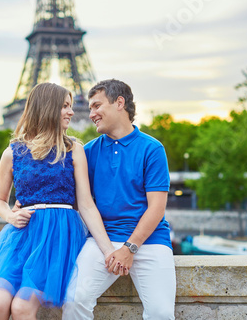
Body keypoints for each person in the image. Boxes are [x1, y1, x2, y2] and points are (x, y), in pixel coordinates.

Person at [0, 83, 116, 320]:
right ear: (47, 108)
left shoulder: (73, 149)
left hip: (57, 236)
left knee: (21, 308)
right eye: (65, 106)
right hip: (21, 236)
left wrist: (108, 249)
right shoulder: (11, 153)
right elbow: (0, 200)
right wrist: (10, 215)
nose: (71, 111)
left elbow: (87, 205)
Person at [62, 79, 176, 319]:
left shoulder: (152, 149)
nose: (91, 114)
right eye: (90, 108)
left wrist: (129, 248)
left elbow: (156, 209)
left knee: (161, 313)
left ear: (119, 103)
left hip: (149, 240)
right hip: (103, 240)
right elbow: (79, 201)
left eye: (96, 106)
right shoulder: (89, 152)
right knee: (74, 300)